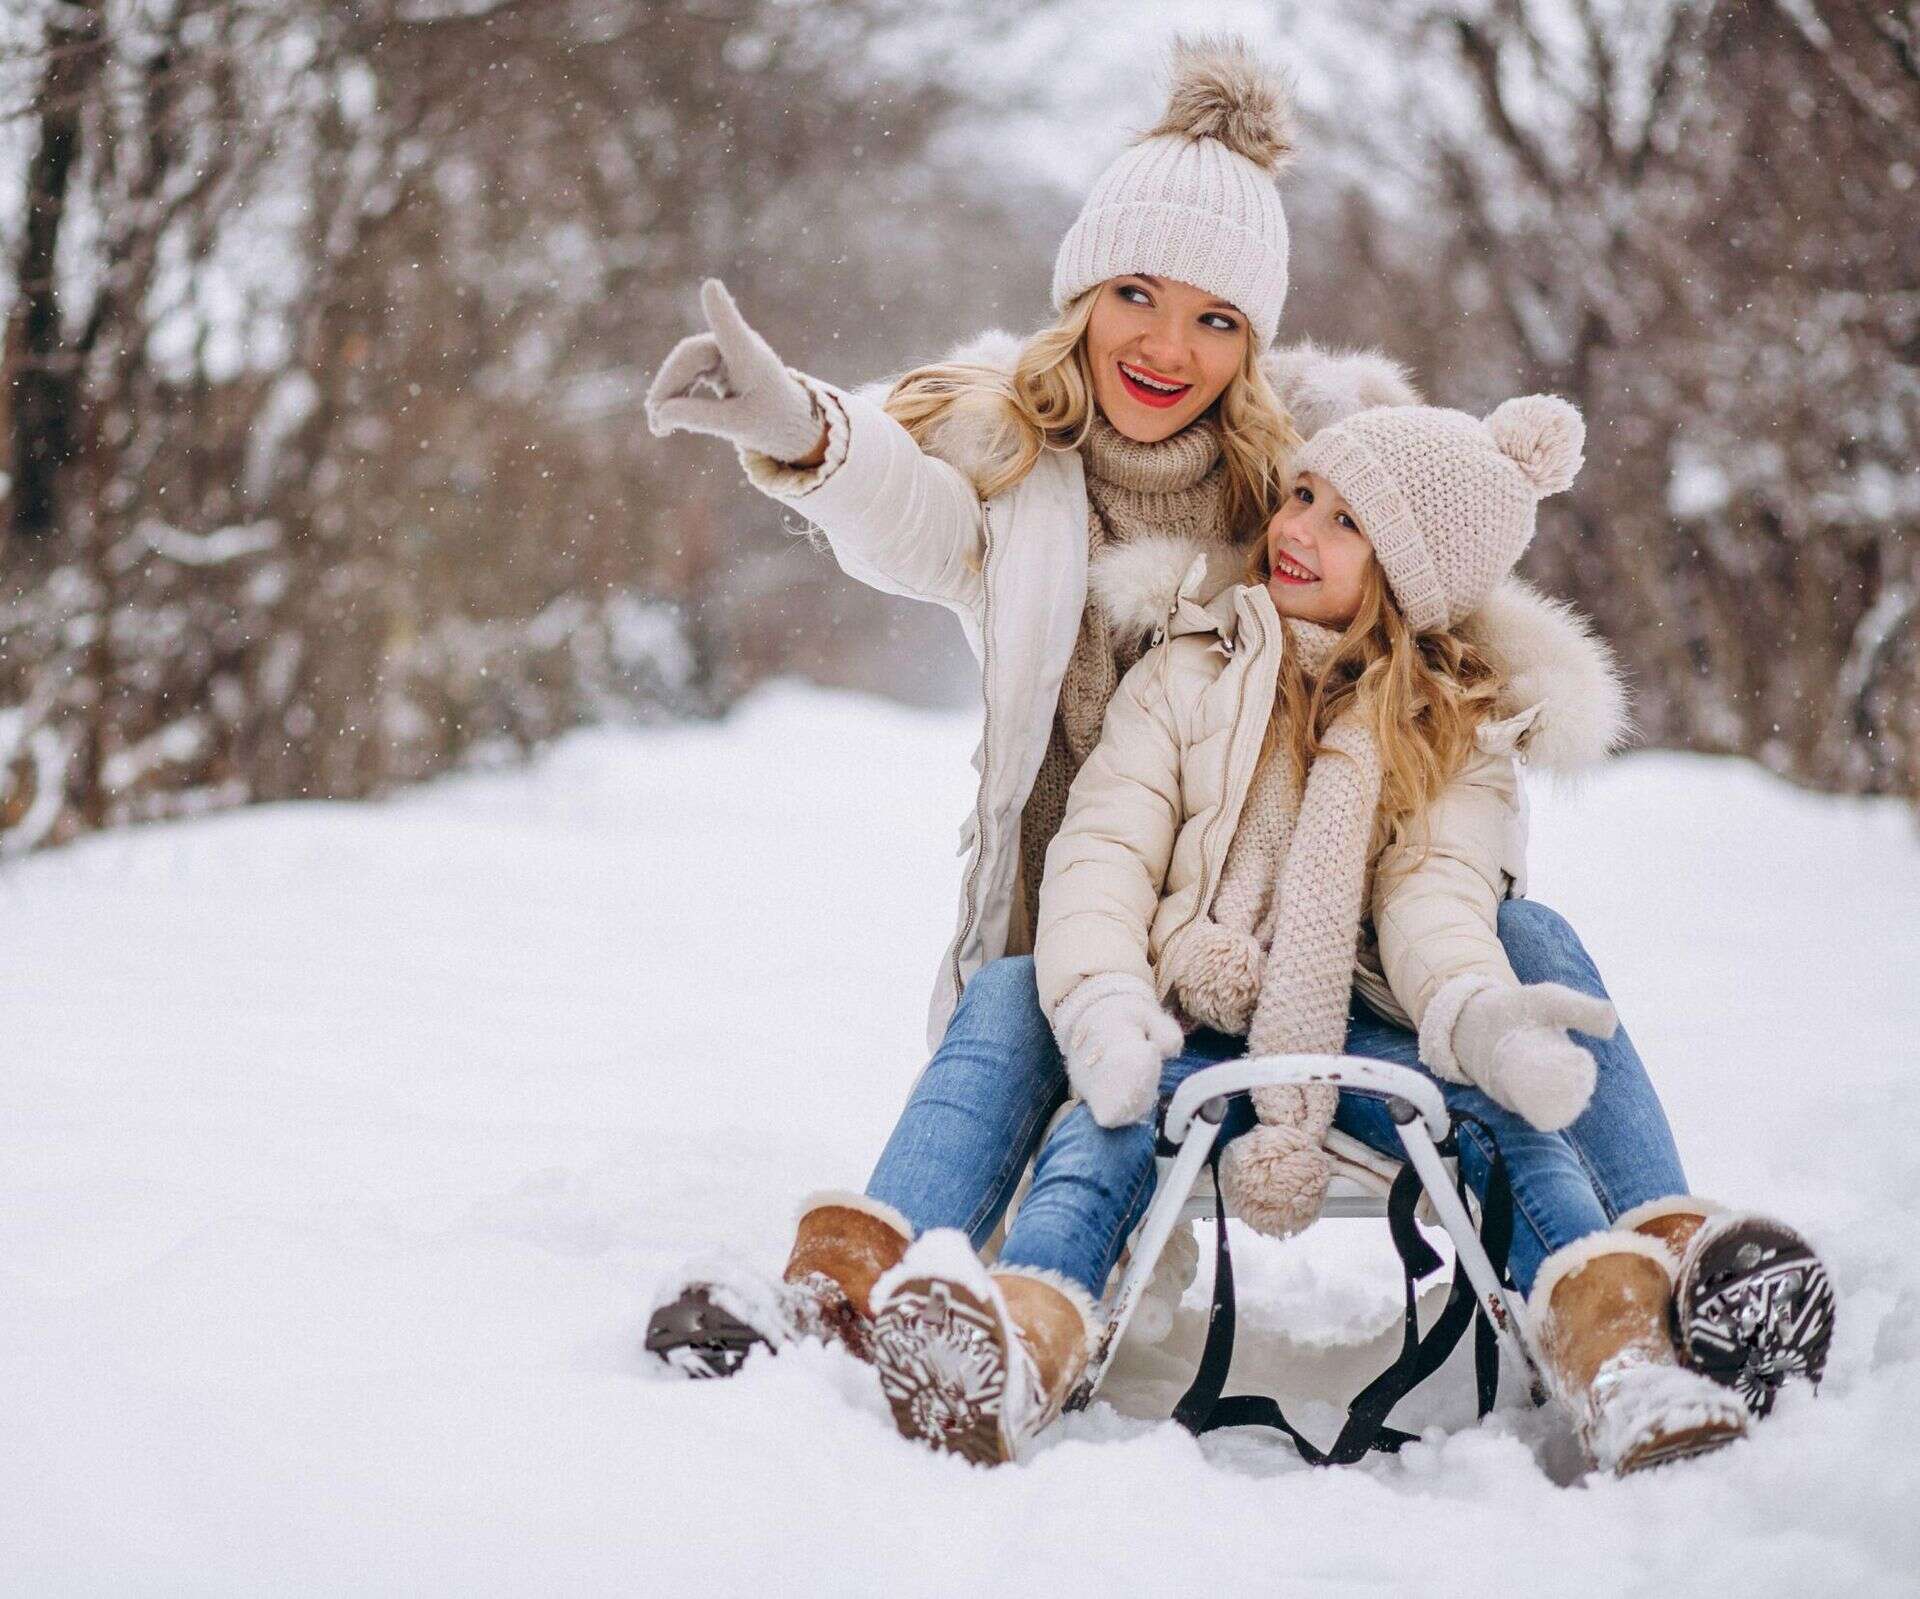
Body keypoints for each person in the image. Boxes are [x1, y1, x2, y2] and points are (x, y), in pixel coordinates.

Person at [862, 395, 1834, 1474]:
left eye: (1343, 521)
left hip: (1372, 1030)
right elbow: (1105, 853)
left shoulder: (1453, 728)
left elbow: (1438, 900)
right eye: (1301, 497)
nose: (1296, 528)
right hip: (1191, 1013)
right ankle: (1020, 1348)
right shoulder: (1188, 671)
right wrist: (1106, 1008)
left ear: (1410, 574)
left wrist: (1478, 1016)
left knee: (1516, 1132)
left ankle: (1622, 1359)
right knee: (1105, 1131)